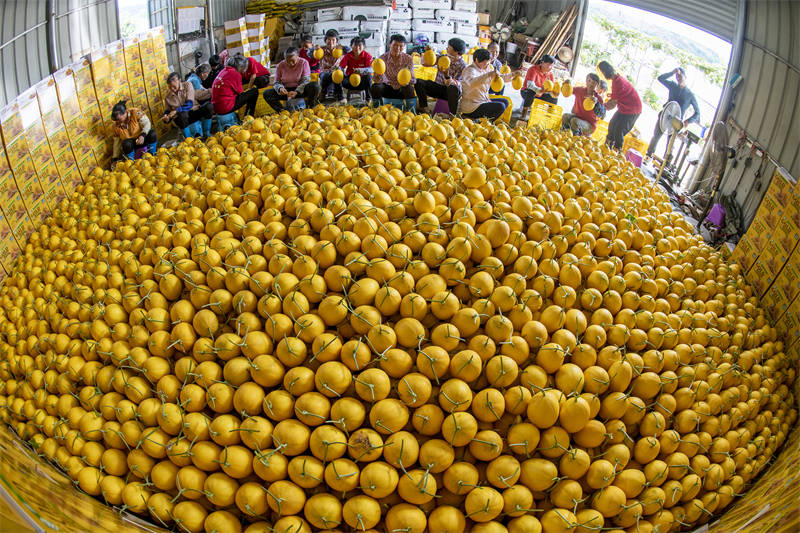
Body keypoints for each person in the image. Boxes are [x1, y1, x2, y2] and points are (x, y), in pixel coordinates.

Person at [647, 67, 701, 157]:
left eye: (680, 76)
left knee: (670, 145)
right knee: (656, 136)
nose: (678, 78)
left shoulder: (690, 94)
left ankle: (665, 163)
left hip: (676, 121)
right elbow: (660, 78)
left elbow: (697, 113)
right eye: (677, 76)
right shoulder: (673, 85)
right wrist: (672, 72)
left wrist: (688, 121)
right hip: (665, 115)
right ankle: (648, 155)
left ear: (685, 76)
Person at [598, 60, 642, 150]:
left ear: (605, 72)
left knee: (619, 130)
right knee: (612, 125)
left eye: (602, 73)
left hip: (633, 109)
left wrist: (600, 107)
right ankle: (607, 148)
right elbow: (616, 98)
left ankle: (616, 153)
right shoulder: (616, 79)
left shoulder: (618, 83)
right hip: (624, 107)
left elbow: (612, 104)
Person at [460, 48, 515, 121]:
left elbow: (500, 78)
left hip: (482, 101)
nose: (488, 65)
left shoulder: (486, 68)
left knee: (505, 102)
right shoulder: (469, 70)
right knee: (500, 106)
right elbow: (471, 83)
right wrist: (488, 75)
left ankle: (484, 122)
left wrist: (513, 75)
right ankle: (482, 123)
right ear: (476, 60)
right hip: (472, 106)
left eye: (489, 63)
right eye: (486, 63)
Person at [416, 38, 466, 115]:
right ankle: (424, 108)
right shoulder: (442, 57)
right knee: (419, 82)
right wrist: (429, 52)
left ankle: (452, 115)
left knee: (452, 88)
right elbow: (425, 63)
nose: (446, 48)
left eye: (449, 47)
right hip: (438, 88)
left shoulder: (462, 66)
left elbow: (452, 84)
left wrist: (446, 74)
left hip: (452, 94)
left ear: (456, 51)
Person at [162, 72, 213, 139]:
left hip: (193, 113)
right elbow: (167, 111)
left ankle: (206, 134)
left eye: (174, 86)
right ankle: (188, 140)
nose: (172, 89)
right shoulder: (167, 96)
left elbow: (189, 104)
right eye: (170, 87)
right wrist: (166, 117)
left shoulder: (187, 85)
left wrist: (176, 110)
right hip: (181, 119)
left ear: (179, 80)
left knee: (208, 107)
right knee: (181, 114)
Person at [370, 34, 416, 103]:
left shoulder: (408, 59)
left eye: (401, 46)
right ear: (390, 44)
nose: (397, 48)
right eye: (395, 45)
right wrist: (377, 78)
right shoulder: (382, 59)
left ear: (404, 47)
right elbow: (377, 78)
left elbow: (413, 79)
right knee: (375, 87)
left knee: (409, 88)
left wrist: (406, 82)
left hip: (402, 89)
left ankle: (411, 111)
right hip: (387, 88)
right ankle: (377, 110)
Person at [520, 54, 558, 118]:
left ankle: (548, 117)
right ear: (543, 63)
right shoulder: (533, 69)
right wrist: (540, 90)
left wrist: (554, 92)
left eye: (552, 66)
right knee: (531, 92)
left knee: (554, 98)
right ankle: (523, 115)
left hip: (541, 94)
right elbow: (530, 85)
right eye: (549, 65)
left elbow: (551, 88)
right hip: (526, 91)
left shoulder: (551, 74)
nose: (551, 68)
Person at [338, 37, 373, 102]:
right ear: (351, 46)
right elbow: (341, 67)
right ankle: (340, 98)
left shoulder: (367, 56)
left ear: (364, 46)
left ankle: (368, 99)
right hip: (349, 82)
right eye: (355, 45)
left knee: (368, 76)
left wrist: (361, 70)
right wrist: (339, 69)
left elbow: (371, 69)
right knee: (337, 74)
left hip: (362, 83)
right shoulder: (348, 56)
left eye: (360, 45)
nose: (357, 48)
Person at [319, 30, 346, 103]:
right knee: (325, 76)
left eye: (333, 40)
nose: (331, 42)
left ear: (336, 41)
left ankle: (339, 96)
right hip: (325, 72)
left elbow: (350, 50)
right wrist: (314, 48)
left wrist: (343, 47)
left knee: (337, 74)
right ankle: (323, 93)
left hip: (337, 71)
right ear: (325, 41)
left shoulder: (340, 50)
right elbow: (309, 53)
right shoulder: (321, 50)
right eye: (329, 40)